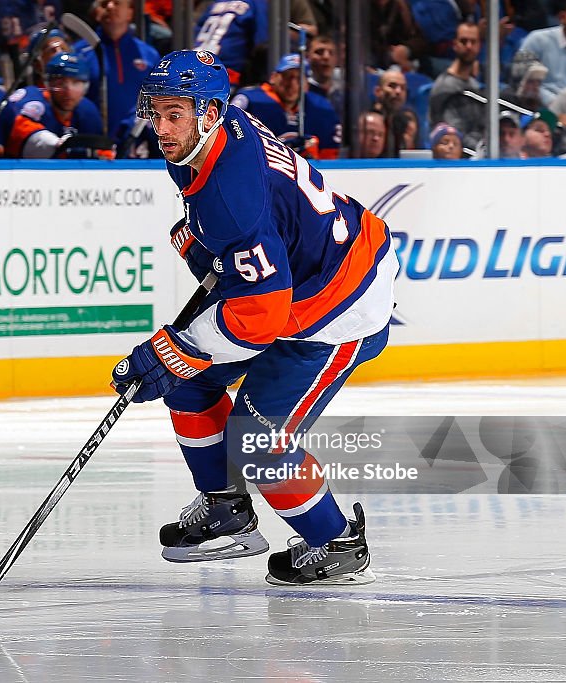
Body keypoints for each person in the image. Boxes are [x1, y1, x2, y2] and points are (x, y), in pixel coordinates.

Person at [111, 50, 398, 587]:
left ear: (211, 111)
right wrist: (214, 254)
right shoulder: (208, 135)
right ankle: (226, 508)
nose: (162, 128)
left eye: (176, 114)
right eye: (157, 111)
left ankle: (336, 542)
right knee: (188, 387)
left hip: (339, 301)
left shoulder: (229, 193)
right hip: (290, 281)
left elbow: (259, 315)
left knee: (256, 439)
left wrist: (173, 348)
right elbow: (257, 249)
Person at [229, 53, 341, 159]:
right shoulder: (249, 101)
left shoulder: (322, 108)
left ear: (307, 85)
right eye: (287, 76)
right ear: (273, 78)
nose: (292, 84)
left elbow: (329, 158)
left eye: (299, 79)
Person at [75, 0, 160, 133]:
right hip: (91, 140)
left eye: (117, 3)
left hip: (135, 143)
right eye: (103, 4)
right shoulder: (80, 52)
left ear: (130, 12)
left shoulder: (149, 55)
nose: (109, 6)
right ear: (97, 13)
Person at [5, 51, 105, 158]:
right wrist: (60, 146)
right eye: (60, 83)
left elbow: (100, 152)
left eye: (76, 83)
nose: (68, 91)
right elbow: (16, 132)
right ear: (47, 84)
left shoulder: (88, 111)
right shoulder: (32, 100)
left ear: (86, 87)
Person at [515, 0, 566, 105]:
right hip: (539, 106)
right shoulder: (536, 39)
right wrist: (555, 103)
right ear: (562, 17)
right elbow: (519, 77)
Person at [429, 21, 486, 150]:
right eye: (464, 41)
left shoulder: (474, 85)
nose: (469, 46)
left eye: (473, 42)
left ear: (479, 46)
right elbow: (451, 133)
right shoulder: (444, 86)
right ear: (455, 45)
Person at [193, 0, 269, 85]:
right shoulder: (257, 4)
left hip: (193, 67)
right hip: (224, 74)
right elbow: (262, 44)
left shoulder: (217, 3)